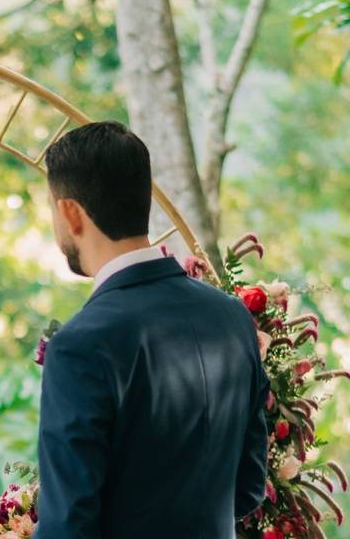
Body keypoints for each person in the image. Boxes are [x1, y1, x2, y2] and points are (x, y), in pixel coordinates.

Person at [34, 121, 270, 538]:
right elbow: (248, 487)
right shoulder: (232, 317)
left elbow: (67, 526)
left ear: (70, 211)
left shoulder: (79, 346)